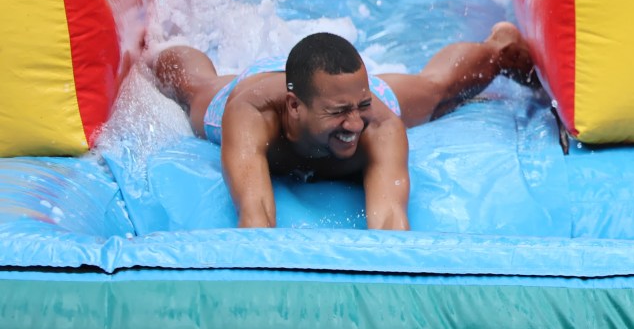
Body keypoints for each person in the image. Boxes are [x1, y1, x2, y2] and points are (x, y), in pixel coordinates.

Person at [151, 23, 535, 230]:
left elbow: (389, 224)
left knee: (436, 90)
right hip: (257, 87)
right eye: (339, 114)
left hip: (338, 90)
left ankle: (497, 47)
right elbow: (256, 218)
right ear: (294, 107)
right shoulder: (252, 113)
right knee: (194, 89)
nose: (354, 124)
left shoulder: (377, 123)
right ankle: (155, 44)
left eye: (361, 107)